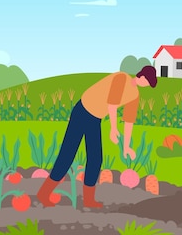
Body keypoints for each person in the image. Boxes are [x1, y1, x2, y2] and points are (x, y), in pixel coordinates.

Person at [36, 66, 158, 208]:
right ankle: (44, 192)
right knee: (68, 154)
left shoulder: (135, 95)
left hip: (95, 119)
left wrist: (126, 147)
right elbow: (112, 104)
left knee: (95, 158)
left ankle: (88, 199)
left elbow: (129, 121)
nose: (146, 85)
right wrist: (113, 129)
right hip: (82, 111)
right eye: (147, 82)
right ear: (142, 76)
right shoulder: (121, 78)